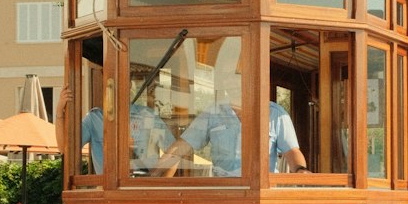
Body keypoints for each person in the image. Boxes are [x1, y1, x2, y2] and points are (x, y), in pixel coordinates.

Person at [158, 76, 307, 177]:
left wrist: (301, 171)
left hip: (261, 194)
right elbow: (183, 145)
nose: (235, 84)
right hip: (223, 193)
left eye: (241, 79)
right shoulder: (213, 113)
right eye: (232, 80)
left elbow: (291, 151)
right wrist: (156, 174)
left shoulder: (275, 113)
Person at [55, 86, 176, 175]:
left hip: (143, 190)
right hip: (107, 193)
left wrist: (158, 184)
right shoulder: (94, 118)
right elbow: (65, 149)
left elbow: (174, 152)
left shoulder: (147, 116)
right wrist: (60, 111)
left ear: (129, 91)